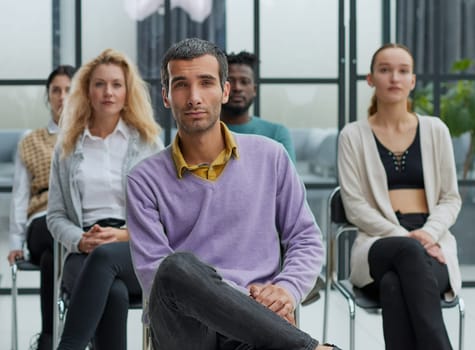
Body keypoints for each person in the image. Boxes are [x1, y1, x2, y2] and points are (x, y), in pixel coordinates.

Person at [126, 38, 340, 350]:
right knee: (175, 268)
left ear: (225, 91)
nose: (194, 97)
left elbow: (305, 239)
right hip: (188, 333)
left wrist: (286, 290)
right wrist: (250, 308)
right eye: (181, 85)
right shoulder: (143, 179)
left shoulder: (271, 157)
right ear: (167, 96)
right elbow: (155, 276)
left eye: (206, 82)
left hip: (256, 334)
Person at [338, 43, 461, 350]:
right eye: (385, 70)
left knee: (394, 286)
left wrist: (428, 234)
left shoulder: (436, 130)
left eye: (403, 71)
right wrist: (408, 238)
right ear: (370, 79)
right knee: (405, 253)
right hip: (379, 242)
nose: (394, 77)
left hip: (434, 244)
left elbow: (450, 198)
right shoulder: (352, 135)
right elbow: (355, 207)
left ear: (413, 80)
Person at [46, 48, 163, 350]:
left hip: (134, 247)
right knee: (114, 293)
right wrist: (81, 240)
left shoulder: (150, 144)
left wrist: (124, 234)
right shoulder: (67, 147)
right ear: (86, 91)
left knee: (107, 262)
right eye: (99, 84)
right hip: (84, 244)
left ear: (127, 91)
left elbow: (166, 214)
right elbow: (55, 215)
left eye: (116, 84)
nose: (108, 92)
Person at [7, 65, 75, 350]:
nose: (62, 97)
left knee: (51, 258)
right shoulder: (30, 140)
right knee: (52, 238)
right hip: (42, 218)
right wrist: (15, 241)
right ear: (48, 97)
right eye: (56, 91)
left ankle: (51, 337)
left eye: (68, 90)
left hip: (76, 222)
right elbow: (20, 195)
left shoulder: (90, 137)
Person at [220, 50, 296, 162]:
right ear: (221, 88)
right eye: (230, 81)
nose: (237, 88)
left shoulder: (276, 133)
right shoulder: (204, 131)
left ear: (254, 90)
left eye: (244, 82)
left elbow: (288, 178)